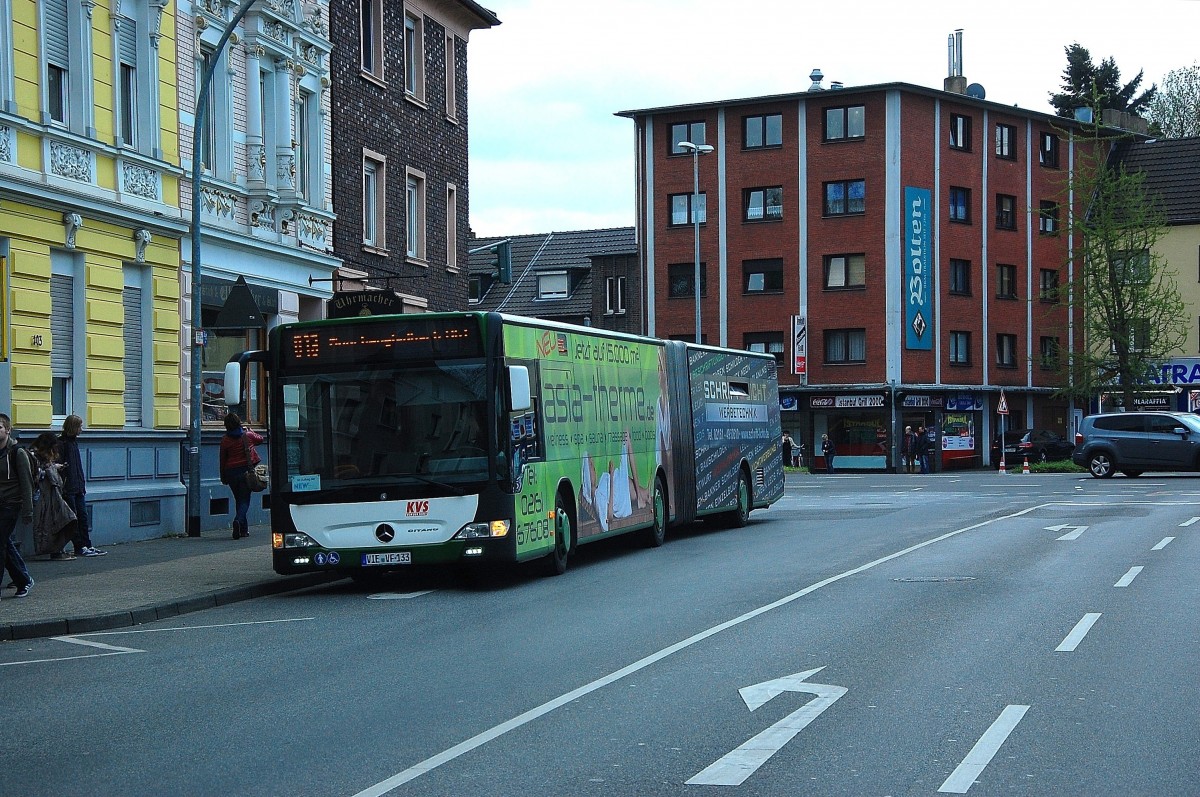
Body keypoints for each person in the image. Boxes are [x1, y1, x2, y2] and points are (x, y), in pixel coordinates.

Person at [57, 414, 106, 557]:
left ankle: (86, 544)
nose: (82, 429)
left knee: (83, 517)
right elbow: (60, 466)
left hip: (78, 487)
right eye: (80, 426)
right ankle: (79, 546)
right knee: (74, 519)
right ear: (73, 427)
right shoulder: (62, 443)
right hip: (69, 488)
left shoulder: (72, 442)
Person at [0, 413, 35, 601]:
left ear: (7, 430)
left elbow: (26, 483)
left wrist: (28, 511)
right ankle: (23, 580)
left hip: (11, 504)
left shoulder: (17, 453)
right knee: (4, 543)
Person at [31, 432, 77, 559]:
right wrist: (51, 468)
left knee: (61, 520)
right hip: (42, 495)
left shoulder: (42, 457)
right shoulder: (34, 456)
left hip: (52, 494)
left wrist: (53, 467)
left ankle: (58, 549)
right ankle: (53, 550)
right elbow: (36, 475)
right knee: (49, 523)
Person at [219, 412, 264, 539]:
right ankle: (238, 521)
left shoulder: (225, 440)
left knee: (238, 499)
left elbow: (222, 459)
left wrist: (223, 476)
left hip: (231, 473)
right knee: (244, 500)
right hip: (245, 471)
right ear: (239, 421)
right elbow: (260, 439)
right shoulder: (247, 435)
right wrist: (251, 430)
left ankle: (243, 530)